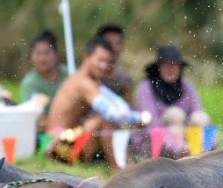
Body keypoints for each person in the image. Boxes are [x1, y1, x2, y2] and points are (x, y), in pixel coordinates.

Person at [44, 37, 149, 171]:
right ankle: (120, 170)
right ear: (86, 57)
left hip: (66, 143)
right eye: (100, 60)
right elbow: (111, 113)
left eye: (108, 62)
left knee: (101, 119)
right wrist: (140, 118)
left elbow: (119, 107)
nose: (104, 66)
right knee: (103, 119)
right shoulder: (83, 83)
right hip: (56, 149)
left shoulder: (89, 82)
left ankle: (128, 165)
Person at [134, 44, 210, 159]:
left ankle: (204, 152)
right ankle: (182, 159)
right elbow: (153, 125)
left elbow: (197, 111)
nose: (171, 69)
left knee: (200, 117)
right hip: (152, 144)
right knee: (175, 114)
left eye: (175, 65)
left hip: (184, 140)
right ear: (158, 67)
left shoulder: (186, 87)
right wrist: (180, 147)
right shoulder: (146, 88)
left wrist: (206, 141)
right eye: (167, 65)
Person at [19, 29, 68, 129]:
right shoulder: (30, 83)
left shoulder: (69, 74)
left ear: (55, 54)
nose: (42, 58)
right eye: (38, 54)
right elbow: (34, 118)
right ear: (31, 56)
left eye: (46, 53)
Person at [95, 23, 134, 102]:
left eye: (117, 43)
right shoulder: (89, 74)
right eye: (108, 42)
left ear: (122, 47)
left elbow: (129, 108)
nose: (113, 47)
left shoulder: (124, 79)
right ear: (98, 46)